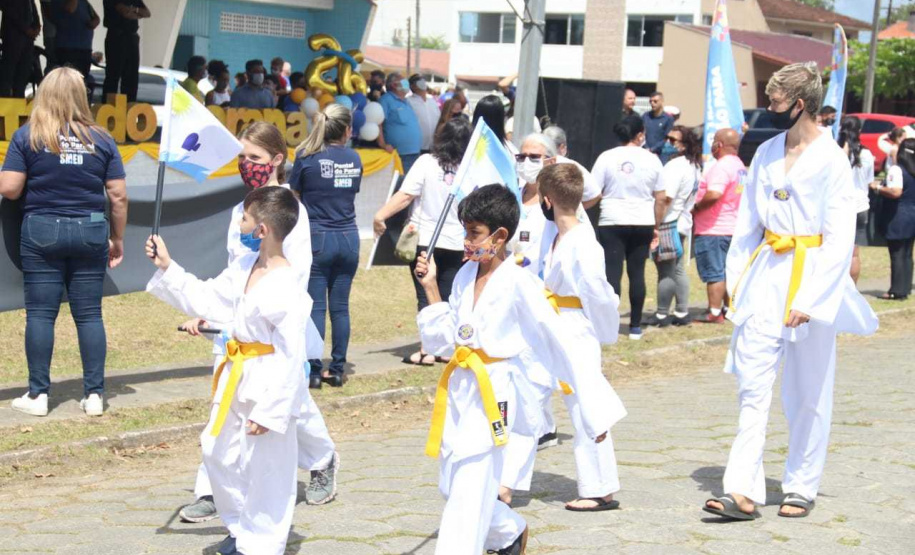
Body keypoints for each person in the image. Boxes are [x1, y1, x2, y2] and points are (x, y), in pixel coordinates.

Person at [703, 62, 878, 522]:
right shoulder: (765, 151)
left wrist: (811, 299)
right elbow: (747, 224)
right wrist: (737, 282)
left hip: (812, 274)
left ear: (800, 104)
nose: (768, 107)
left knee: (807, 390)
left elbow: (839, 238)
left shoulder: (833, 159)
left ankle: (801, 484)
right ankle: (742, 489)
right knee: (752, 383)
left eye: (775, 101)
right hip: (766, 274)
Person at [414, 184, 612, 555]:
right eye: (465, 231)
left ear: (500, 235)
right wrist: (430, 288)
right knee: (452, 484)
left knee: (469, 492)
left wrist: (592, 408)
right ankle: (508, 531)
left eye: (474, 232)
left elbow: (558, 341)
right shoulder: (463, 277)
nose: (467, 241)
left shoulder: (521, 282)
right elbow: (445, 338)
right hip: (460, 387)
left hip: (496, 390)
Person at [176, 122, 339, 525]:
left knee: (292, 403)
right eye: (242, 157)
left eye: (255, 157)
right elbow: (234, 271)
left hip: (272, 327)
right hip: (235, 325)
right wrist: (213, 312)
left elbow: (295, 272)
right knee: (224, 404)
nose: (247, 164)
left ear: (277, 159)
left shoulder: (290, 211)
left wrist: (261, 317)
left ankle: (322, 459)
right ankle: (212, 489)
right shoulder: (241, 210)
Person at [146, 186, 308, 555]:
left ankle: (261, 544)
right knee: (218, 451)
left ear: (263, 229)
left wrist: (271, 410)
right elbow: (208, 298)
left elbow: (291, 354)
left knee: (267, 467)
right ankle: (239, 528)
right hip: (236, 372)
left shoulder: (287, 284)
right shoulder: (244, 266)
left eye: (245, 218)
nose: (239, 224)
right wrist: (168, 266)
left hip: (268, 380)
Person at [0, 68, 127, 417]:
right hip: (91, 230)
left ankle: (38, 395)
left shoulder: (28, 135)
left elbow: (10, 188)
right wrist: (117, 238)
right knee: (89, 315)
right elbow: (118, 196)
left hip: (42, 229)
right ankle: (95, 395)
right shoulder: (102, 139)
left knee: (41, 314)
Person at [536, 163, 627, 512]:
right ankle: (506, 481)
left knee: (587, 405)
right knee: (533, 394)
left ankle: (599, 488)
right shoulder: (558, 237)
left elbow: (598, 293)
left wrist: (601, 331)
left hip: (575, 326)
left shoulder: (583, 241)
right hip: (554, 323)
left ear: (547, 200)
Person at [372, 118, 471, 367]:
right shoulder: (470, 167)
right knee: (449, 294)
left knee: (424, 293)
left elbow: (406, 195)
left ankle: (427, 348)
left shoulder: (426, 162)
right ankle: (446, 348)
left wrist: (380, 215)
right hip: (457, 241)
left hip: (427, 240)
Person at [290, 104, 363, 388]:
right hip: (348, 237)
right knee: (341, 308)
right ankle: (338, 368)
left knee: (316, 308)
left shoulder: (306, 157)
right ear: (347, 130)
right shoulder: (355, 158)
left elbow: (295, 197)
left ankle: (313, 370)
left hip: (317, 237)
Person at [591, 115, 665, 340]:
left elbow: (594, 190)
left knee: (612, 272)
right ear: (640, 134)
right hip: (643, 219)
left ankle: (610, 325)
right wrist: (656, 224)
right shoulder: (652, 159)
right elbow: (661, 197)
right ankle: (635, 326)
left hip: (612, 219)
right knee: (637, 272)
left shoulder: (606, 157)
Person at [648, 125, 702, 327]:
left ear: (683, 145)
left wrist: (656, 224)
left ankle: (662, 314)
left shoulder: (675, 166)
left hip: (668, 222)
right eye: (667, 138)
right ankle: (681, 311)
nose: (667, 143)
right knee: (677, 269)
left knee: (666, 270)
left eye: (672, 140)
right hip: (682, 222)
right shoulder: (694, 166)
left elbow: (665, 198)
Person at [692, 128, 745, 324]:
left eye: (714, 140)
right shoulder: (739, 166)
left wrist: (696, 207)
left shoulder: (721, 167)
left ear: (719, 145)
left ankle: (714, 312)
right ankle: (728, 308)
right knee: (728, 270)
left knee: (715, 272)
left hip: (714, 228)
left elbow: (714, 193)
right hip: (732, 226)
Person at [876, 138, 915, 300]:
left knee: (897, 253)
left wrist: (878, 188)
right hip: (912, 214)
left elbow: (895, 192)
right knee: (907, 253)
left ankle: (896, 290)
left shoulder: (897, 169)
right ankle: (905, 287)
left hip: (898, 215)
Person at [838, 117, 875, 283]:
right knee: (854, 252)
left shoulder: (837, 151)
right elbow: (869, 180)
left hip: (841, 205)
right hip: (861, 205)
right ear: (859, 131)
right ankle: (852, 286)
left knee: (837, 249)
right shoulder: (866, 154)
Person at [542, 125, 601, 209]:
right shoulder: (534, 163)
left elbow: (595, 194)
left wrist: (571, 210)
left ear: (562, 148)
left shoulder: (570, 166)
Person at [102, 0, 150, 102]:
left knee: (131, 77)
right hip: (116, 36)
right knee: (113, 76)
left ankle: (129, 105)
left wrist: (133, 9)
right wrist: (137, 13)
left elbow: (147, 13)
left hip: (132, 37)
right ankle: (108, 106)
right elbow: (124, 12)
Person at [377, 72, 422, 175]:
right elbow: (378, 123)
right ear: (394, 85)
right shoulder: (385, 100)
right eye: (403, 80)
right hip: (400, 154)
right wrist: (382, 144)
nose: (407, 83)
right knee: (401, 182)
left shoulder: (406, 101)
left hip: (414, 152)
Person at [0, 0, 41, 98]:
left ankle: (19, 101)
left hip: (28, 40)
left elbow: (32, 6)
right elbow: (8, 9)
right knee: (8, 76)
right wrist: (25, 28)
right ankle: (5, 103)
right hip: (13, 38)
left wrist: (37, 25)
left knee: (23, 76)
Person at [51, 0, 99, 78]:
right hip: (68, 49)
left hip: (85, 48)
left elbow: (96, 18)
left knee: (83, 79)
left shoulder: (84, 2)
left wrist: (93, 22)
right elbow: (70, 8)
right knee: (68, 80)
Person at [406, 73, 441, 155]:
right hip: (417, 147)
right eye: (419, 81)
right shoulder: (408, 102)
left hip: (433, 146)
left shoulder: (432, 102)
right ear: (412, 86)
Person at [642, 92, 674, 157]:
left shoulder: (668, 119)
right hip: (645, 151)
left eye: (655, 101)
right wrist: (646, 148)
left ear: (661, 101)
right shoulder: (645, 116)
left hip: (660, 153)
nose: (652, 103)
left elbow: (667, 137)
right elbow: (641, 133)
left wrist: (653, 149)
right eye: (650, 101)